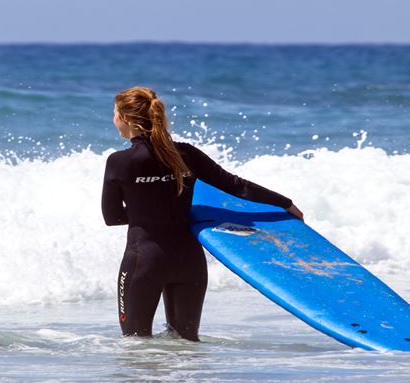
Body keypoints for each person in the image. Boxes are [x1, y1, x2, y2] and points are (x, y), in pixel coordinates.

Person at [101, 87, 304, 341]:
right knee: (187, 346)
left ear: (126, 119)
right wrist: (285, 204)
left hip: (145, 262)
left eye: (114, 114)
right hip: (190, 262)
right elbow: (235, 185)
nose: (114, 121)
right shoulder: (186, 154)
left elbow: (112, 217)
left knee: (135, 345)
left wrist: (146, 210)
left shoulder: (119, 161)